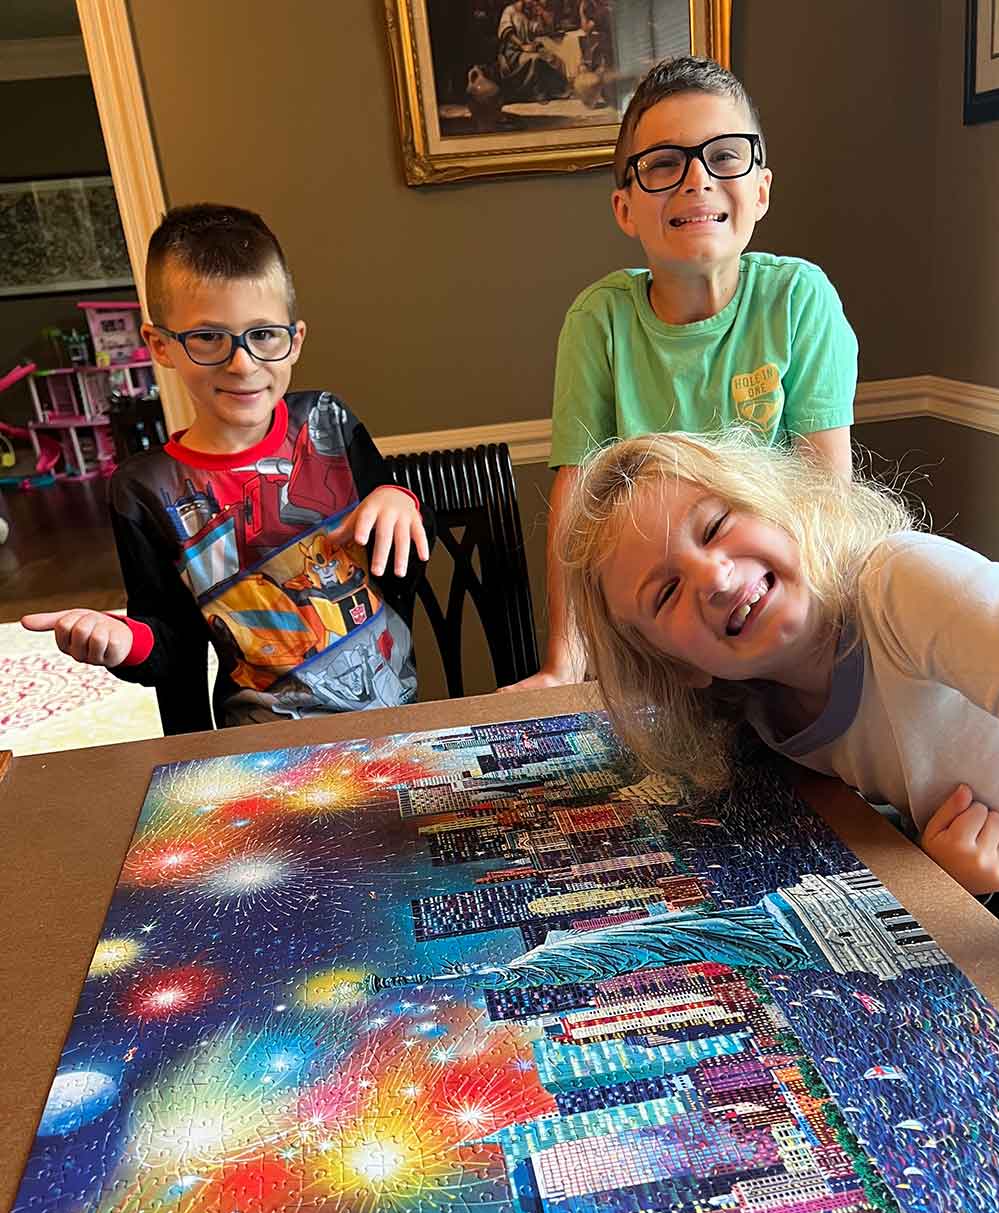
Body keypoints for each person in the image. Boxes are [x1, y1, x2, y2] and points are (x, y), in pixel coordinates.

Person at [557, 429, 999, 1018]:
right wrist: (935, 871)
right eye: (664, 592)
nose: (716, 577)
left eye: (717, 524)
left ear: (779, 507)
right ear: (675, 667)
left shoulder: (902, 587)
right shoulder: (764, 718)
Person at [512, 56, 857, 690]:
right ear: (624, 208)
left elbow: (825, 503)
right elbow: (578, 508)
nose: (696, 179)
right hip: (666, 648)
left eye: (725, 155)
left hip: (776, 625)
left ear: (761, 190)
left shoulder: (799, 300)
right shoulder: (600, 321)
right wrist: (566, 665)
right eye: (665, 164)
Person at [21, 204, 432, 733]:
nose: (242, 363)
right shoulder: (143, 488)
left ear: (295, 339)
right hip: (258, 745)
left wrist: (401, 500)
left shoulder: (327, 420)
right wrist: (126, 641)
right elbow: (171, 644)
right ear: (162, 346)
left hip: (394, 717)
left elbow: (406, 552)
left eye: (263, 334)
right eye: (208, 337)